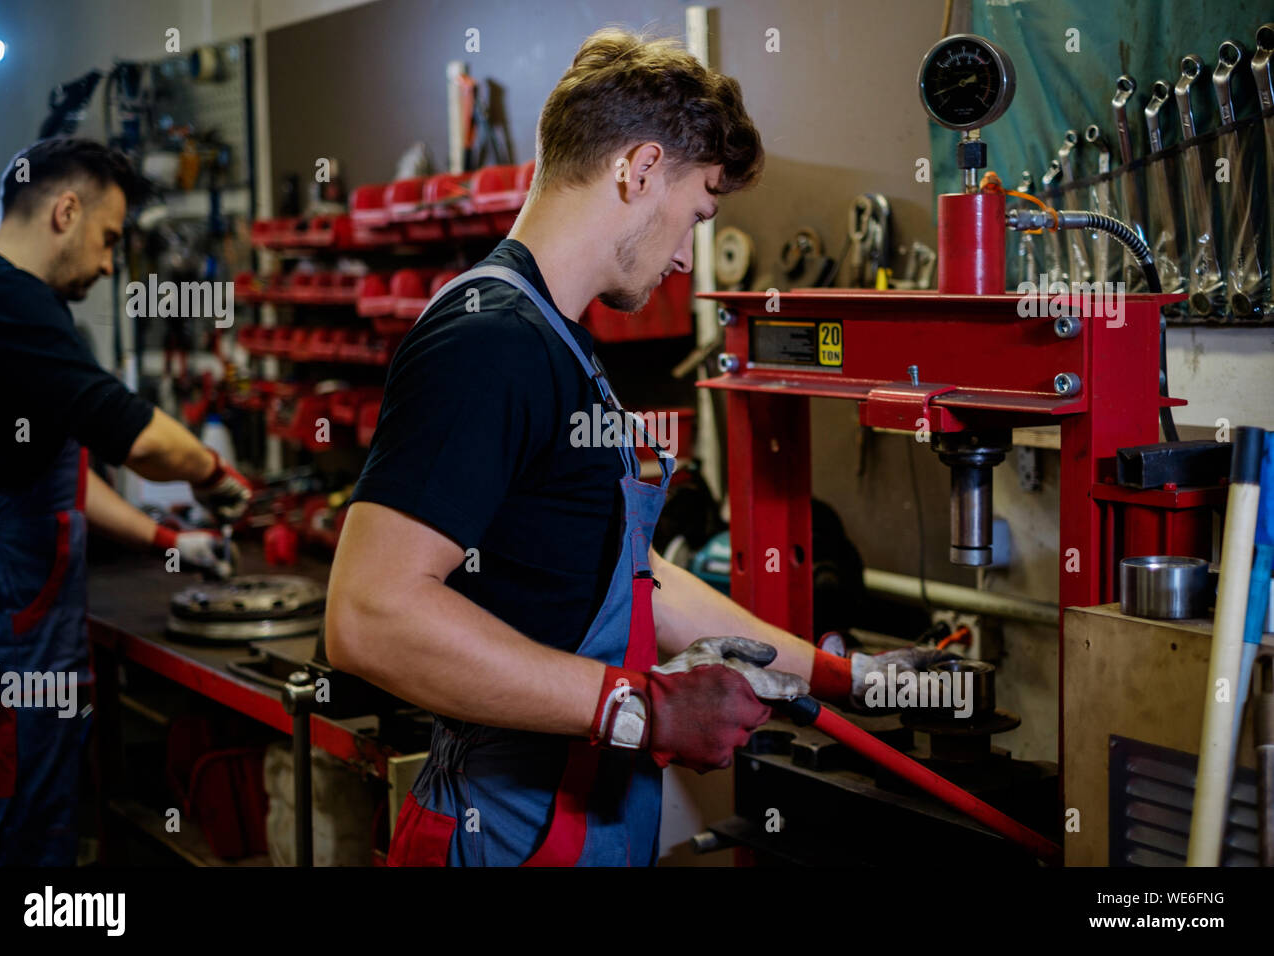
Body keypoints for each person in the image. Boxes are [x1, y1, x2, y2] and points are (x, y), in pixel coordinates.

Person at [325, 29, 946, 866]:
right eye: (697, 211)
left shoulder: (561, 342)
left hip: (585, 826)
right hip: (501, 833)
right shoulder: (488, 341)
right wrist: (642, 708)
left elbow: (633, 575)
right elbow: (369, 616)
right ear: (640, 169)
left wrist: (844, 678)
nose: (689, 254)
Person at [0, 138, 252, 865]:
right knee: (13, 834)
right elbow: (132, 432)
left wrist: (167, 541)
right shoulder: (6, 299)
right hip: (4, 642)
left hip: (24, 627)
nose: (106, 265)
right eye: (106, 240)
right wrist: (212, 476)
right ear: (65, 211)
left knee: (35, 816)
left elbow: (55, 473)